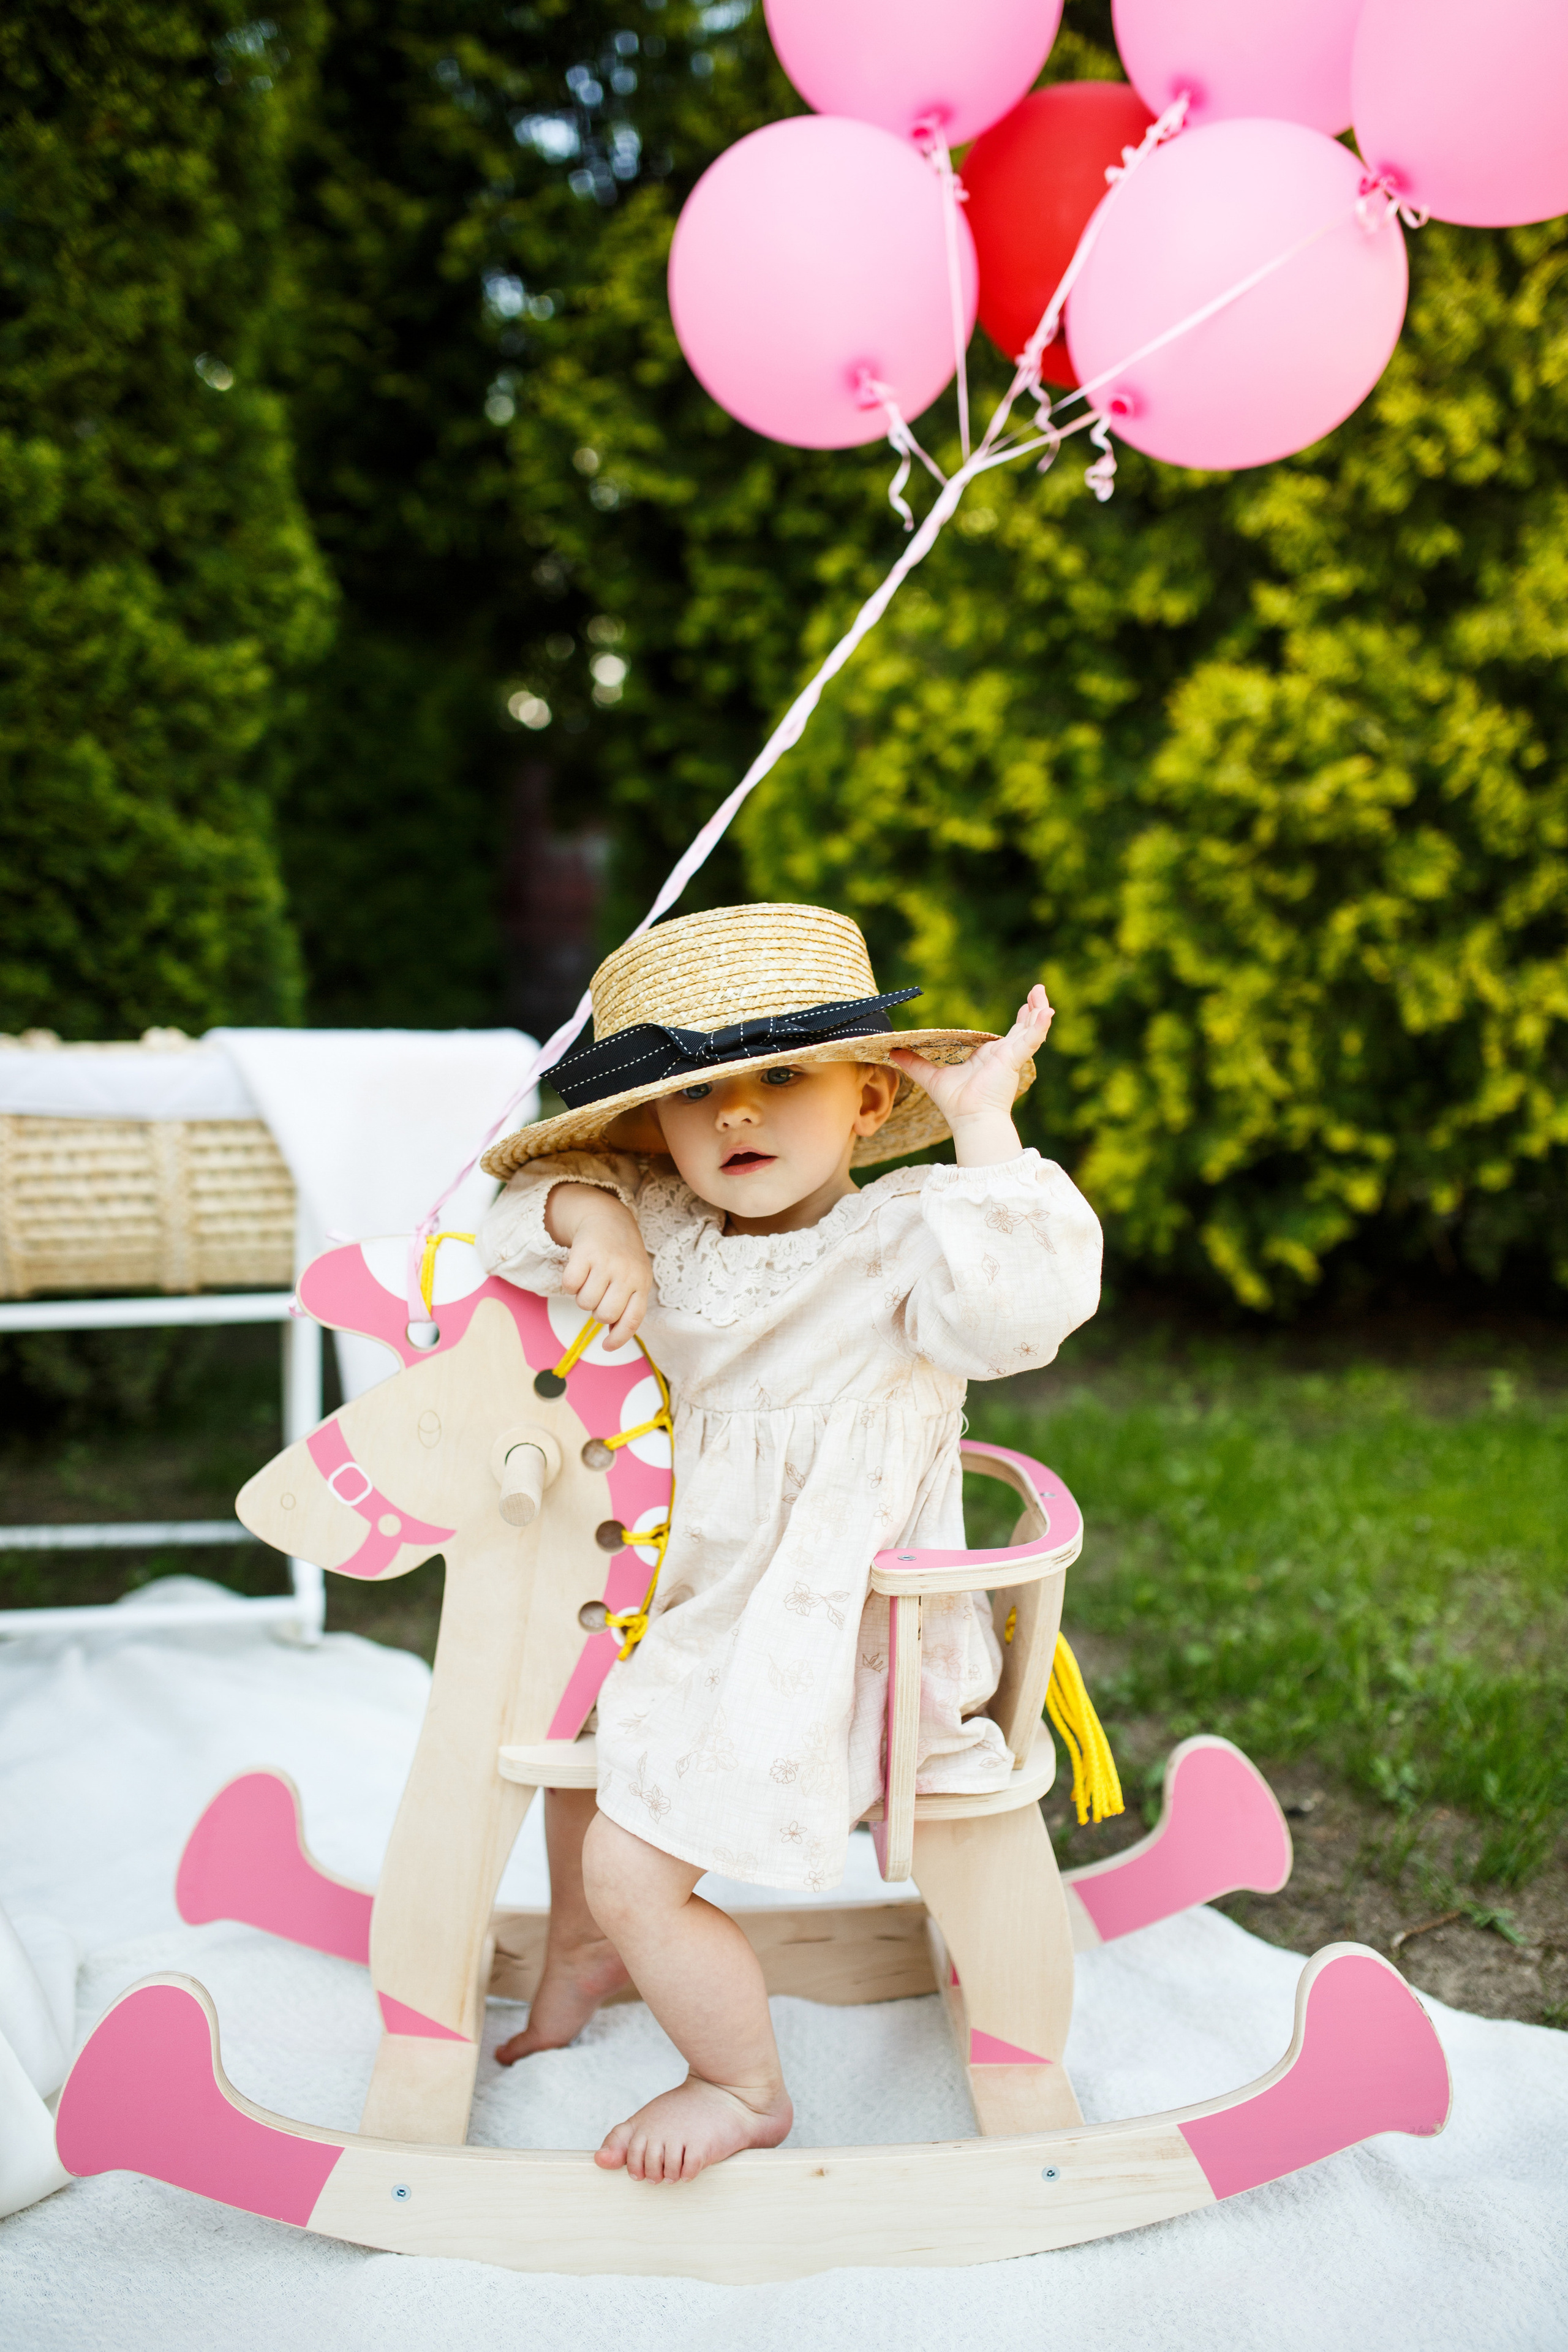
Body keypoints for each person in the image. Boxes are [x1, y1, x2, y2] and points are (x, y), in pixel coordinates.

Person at [475, 902, 1101, 2183]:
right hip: (691, 1604)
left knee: (630, 1864)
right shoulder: (668, 1228)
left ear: (868, 1100)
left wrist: (983, 1125)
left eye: (778, 1079)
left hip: (840, 1632)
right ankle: (589, 1947)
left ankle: (739, 2082)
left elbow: (1026, 1312)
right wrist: (594, 1220)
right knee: (574, 1727)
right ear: (655, 1129)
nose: (735, 1116)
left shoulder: (910, 1235)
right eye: (695, 1095)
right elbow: (505, 1207)